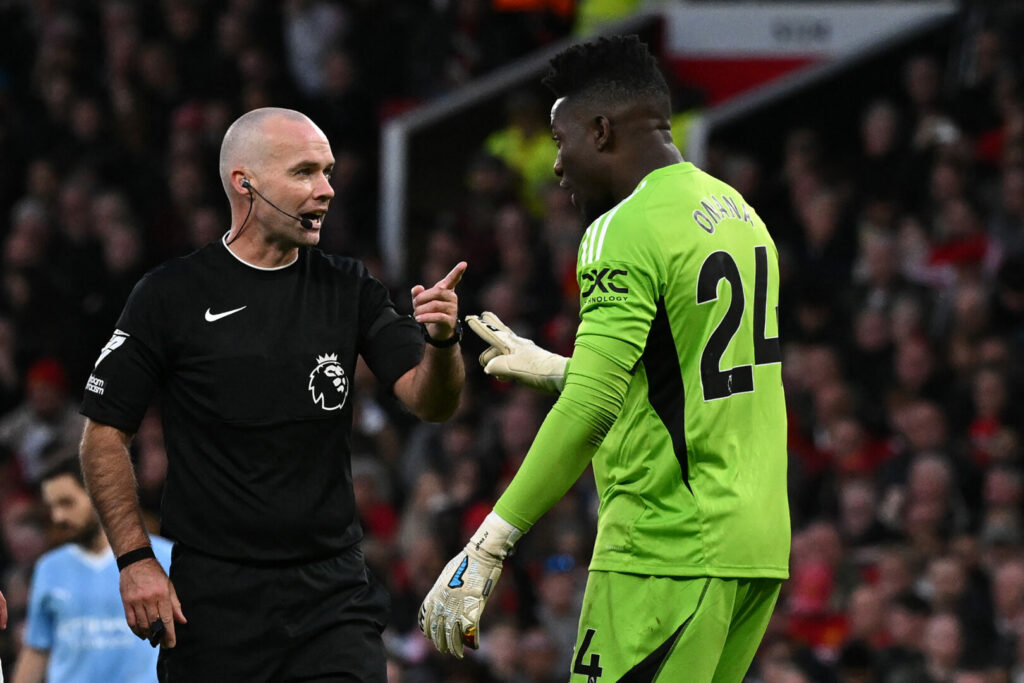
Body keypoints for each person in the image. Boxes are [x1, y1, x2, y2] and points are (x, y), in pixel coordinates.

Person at [420, 35, 790, 682]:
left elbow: (592, 407)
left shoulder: (622, 227)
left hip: (664, 548)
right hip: (752, 546)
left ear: (601, 131)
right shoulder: (737, 213)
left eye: (561, 142)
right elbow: (694, 377)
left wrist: (489, 542)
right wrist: (561, 367)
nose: (555, 167)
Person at [79, 107, 466, 682]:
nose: (327, 190)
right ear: (246, 183)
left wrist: (442, 342)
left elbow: (431, 402)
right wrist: (136, 560)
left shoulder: (348, 286)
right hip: (214, 600)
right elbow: (103, 436)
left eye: (329, 172)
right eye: (306, 172)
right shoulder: (170, 296)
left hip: (331, 595)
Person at [12, 458, 173, 683]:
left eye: (67, 503)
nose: (57, 517)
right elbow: (37, 649)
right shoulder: (48, 568)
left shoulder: (161, 558)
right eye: (51, 507)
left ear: (99, 497)